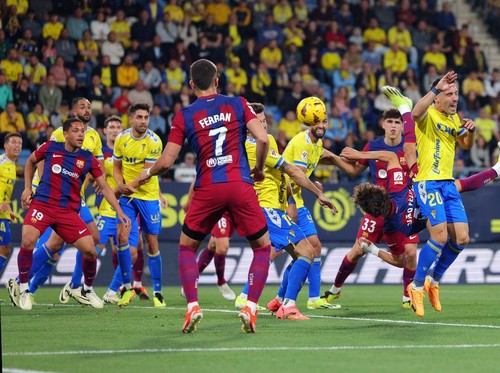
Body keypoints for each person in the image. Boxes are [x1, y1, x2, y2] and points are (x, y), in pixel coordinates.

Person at [136, 59, 272, 334]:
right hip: (239, 183)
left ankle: (193, 307)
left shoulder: (184, 115)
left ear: (191, 84)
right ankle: (251, 307)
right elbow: (264, 139)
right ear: (217, 81)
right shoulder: (238, 103)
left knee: (186, 247)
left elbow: (166, 162)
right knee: (262, 247)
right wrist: (257, 169)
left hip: (207, 186)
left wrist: (145, 174)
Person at [5, 118, 130, 311]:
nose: (81, 134)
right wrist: (27, 188)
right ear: (65, 134)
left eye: (83, 131)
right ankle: (23, 288)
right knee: (28, 241)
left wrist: (119, 211)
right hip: (43, 205)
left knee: (90, 249)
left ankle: (87, 289)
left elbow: (104, 187)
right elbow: (30, 162)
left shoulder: (87, 158)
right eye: (76, 131)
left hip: (68, 211)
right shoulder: (51, 147)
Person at [235, 102, 337, 320]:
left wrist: (290, 199)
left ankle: (279, 301)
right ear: (248, 125)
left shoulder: (267, 141)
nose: (263, 124)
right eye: (258, 121)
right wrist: (317, 193)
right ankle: (284, 305)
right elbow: (291, 170)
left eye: (264, 120)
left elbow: (282, 176)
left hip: (276, 208)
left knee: (297, 253)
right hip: (266, 208)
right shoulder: (252, 147)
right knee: (307, 252)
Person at [321, 106, 417, 308]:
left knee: (410, 252)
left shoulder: (408, 150)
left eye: (398, 122)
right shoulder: (372, 145)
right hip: (377, 210)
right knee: (357, 250)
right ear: (382, 124)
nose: (393, 126)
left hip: (401, 210)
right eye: (389, 122)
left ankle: (408, 296)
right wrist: (333, 157)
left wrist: (360, 154)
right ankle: (335, 290)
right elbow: (353, 171)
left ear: (402, 127)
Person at [407, 71, 476, 317]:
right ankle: (415, 286)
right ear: (437, 97)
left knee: (462, 237)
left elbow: (466, 145)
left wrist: (471, 130)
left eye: (456, 93)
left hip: (447, 184)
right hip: (428, 182)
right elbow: (415, 113)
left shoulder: (454, 119)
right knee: (439, 235)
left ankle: (433, 281)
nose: (454, 97)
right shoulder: (429, 114)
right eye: (449, 93)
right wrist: (436, 88)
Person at [26, 98, 104, 305]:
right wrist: (43, 187)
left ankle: (75, 285)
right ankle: (25, 285)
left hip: (74, 195)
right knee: (55, 245)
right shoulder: (61, 132)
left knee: (93, 238)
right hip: (51, 193)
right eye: (82, 107)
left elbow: (98, 166)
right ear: (72, 110)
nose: (86, 110)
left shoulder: (94, 135)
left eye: (89, 107)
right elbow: (43, 159)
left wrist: (98, 181)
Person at [113, 102, 166, 308]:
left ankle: (158, 292)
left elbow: (146, 174)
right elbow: (117, 167)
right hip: (128, 198)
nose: (144, 121)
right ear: (131, 119)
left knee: (152, 243)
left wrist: (127, 187)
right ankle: (127, 289)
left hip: (148, 197)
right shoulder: (121, 139)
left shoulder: (154, 141)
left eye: (146, 117)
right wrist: (120, 185)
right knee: (122, 237)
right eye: (140, 117)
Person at [182, 181, 236, 301]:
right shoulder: (214, 164)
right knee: (222, 248)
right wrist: (189, 201)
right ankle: (221, 281)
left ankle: (189, 281)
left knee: (212, 245)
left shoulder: (244, 164)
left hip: (237, 208)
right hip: (220, 207)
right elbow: (197, 179)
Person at [0, 133, 22, 271]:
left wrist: (9, 210)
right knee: (4, 248)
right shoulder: (1, 163)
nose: (17, 145)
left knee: (5, 249)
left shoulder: (12, 166)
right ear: (5, 146)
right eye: (13, 142)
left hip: (3, 213)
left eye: (19, 143)